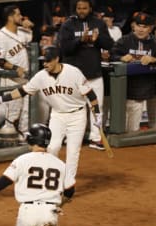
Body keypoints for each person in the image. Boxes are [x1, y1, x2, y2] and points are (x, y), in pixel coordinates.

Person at [0, 46, 99, 195]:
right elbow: (23, 91)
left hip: (77, 116)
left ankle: (68, 187)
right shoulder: (41, 76)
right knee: (52, 147)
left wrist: (98, 114)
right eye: (43, 61)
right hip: (57, 115)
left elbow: (91, 95)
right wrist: (1, 99)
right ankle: (51, 180)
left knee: (72, 152)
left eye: (48, 61)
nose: (45, 64)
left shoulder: (73, 72)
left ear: (57, 59)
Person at [58, 0, 114, 150]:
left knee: (97, 107)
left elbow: (109, 44)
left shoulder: (98, 23)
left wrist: (98, 40)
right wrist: (80, 40)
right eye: (79, 8)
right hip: (73, 76)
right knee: (71, 107)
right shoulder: (68, 25)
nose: (81, 10)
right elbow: (64, 48)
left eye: (84, 8)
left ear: (90, 9)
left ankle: (96, 138)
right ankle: (70, 137)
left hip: (94, 73)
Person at [110, 12, 156, 132]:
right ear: (134, 26)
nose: (140, 29)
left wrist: (154, 59)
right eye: (139, 25)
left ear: (150, 29)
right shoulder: (125, 41)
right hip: (121, 91)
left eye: (144, 27)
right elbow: (111, 54)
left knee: (132, 130)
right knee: (118, 128)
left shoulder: (154, 44)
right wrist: (121, 58)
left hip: (139, 92)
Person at [0, 5, 31, 139]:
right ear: (10, 17)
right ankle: (6, 142)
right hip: (10, 79)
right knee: (12, 112)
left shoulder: (22, 32)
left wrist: (30, 26)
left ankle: (24, 136)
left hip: (25, 78)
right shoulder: (1, 36)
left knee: (26, 109)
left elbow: (32, 40)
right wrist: (15, 68)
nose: (21, 17)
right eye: (18, 14)